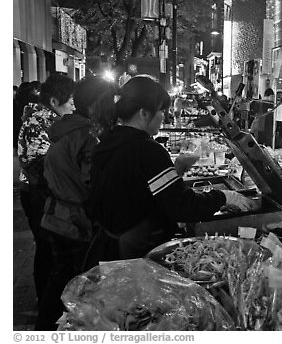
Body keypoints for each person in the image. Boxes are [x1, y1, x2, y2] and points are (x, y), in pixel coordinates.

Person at [84, 76, 258, 267]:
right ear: (143, 113)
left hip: (108, 250)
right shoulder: (147, 149)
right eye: (161, 110)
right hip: (136, 255)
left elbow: (133, 191)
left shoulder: (109, 143)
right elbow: (181, 206)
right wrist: (224, 197)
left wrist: (175, 172)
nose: (164, 117)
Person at [36, 76, 114, 330]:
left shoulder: (65, 131)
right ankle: (50, 329)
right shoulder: (86, 138)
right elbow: (93, 186)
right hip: (73, 223)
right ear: (95, 104)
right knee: (70, 284)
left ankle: (46, 324)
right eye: (109, 101)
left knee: (59, 279)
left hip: (55, 217)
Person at [17, 75, 76, 305]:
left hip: (41, 192)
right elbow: (38, 165)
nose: (73, 106)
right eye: (70, 101)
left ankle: (47, 299)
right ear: (54, 101)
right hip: (37, 194)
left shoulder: (46, 120)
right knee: (47, 248)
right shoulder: (40, 122)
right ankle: (46, 302)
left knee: (49, 248)